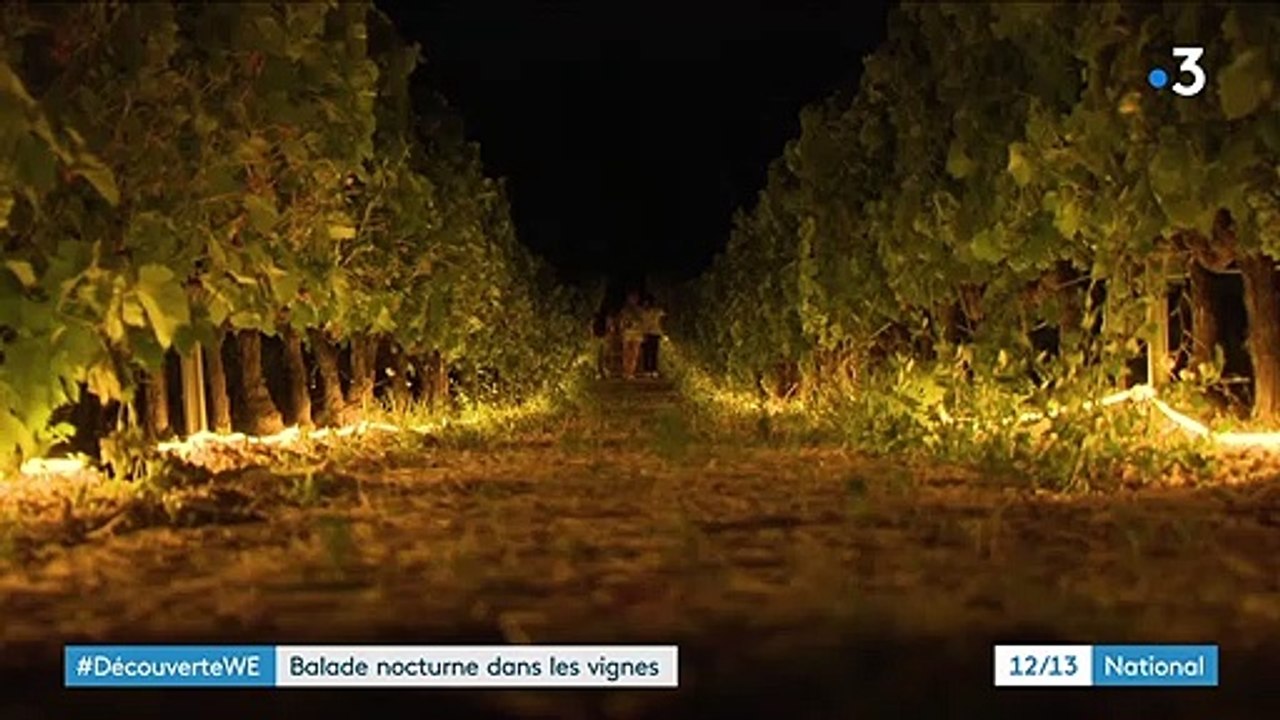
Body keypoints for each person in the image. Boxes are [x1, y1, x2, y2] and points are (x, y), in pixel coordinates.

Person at [618, 291, 645, 379]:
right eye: (631, 298)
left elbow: (643, 322)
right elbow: (621, 322)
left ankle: (631, 372)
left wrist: (638, 325)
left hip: (637, 334)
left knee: (634, 354)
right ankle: (626, 372)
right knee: (626, 353)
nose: (633, 300)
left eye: (634, 298)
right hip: (627, 333)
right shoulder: (625, 310)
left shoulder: (640, 310)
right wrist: (622, 329)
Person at [640, 299, 665, 377]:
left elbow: (664, 316)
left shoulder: (656, 311)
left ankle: (653, 369)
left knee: (654, 352)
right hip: (646, 333)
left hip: (655, 333)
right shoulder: (642, 312)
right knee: (646, 352)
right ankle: (646, 369)